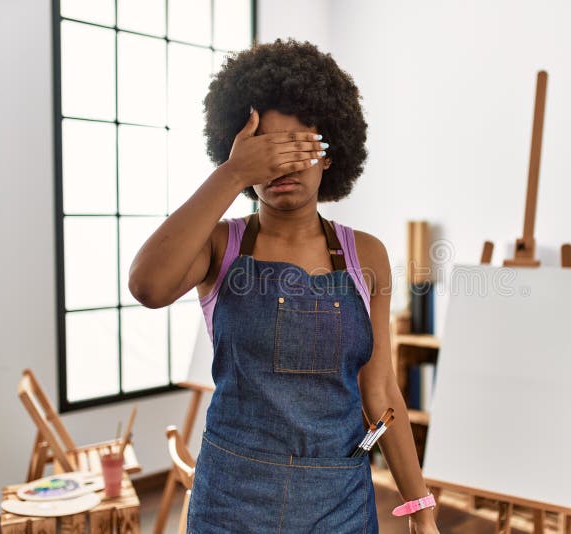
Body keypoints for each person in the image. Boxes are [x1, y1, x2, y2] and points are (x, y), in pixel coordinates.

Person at [129, 39, 439, 533]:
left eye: (299, 147)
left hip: (337, 498)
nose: (282, 165)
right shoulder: (217, 246)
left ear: (331, 154)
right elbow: (148, 285)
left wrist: (420, 507)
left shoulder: (367, 256)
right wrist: (231, 175)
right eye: (264, 150)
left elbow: (379, 391)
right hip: (230, 498)